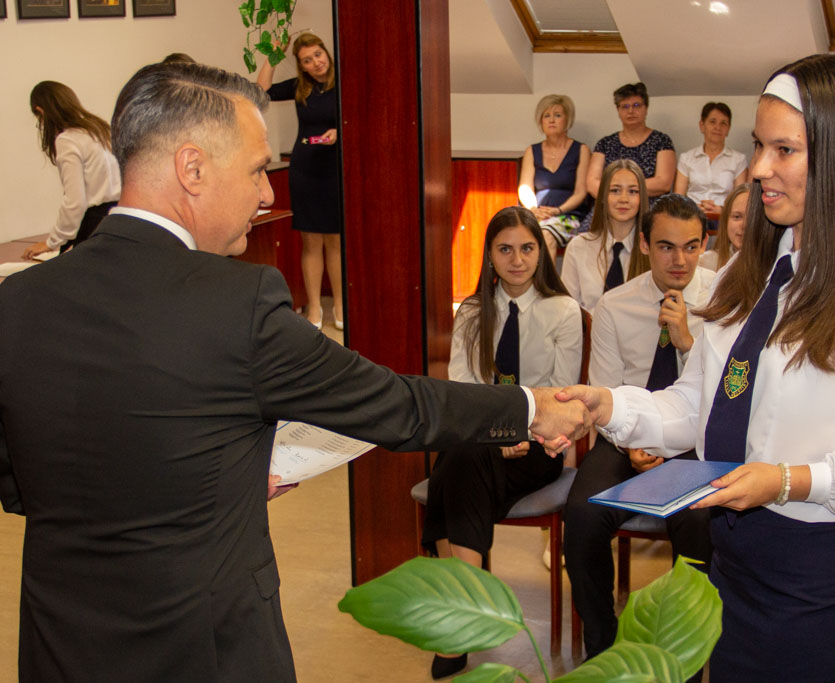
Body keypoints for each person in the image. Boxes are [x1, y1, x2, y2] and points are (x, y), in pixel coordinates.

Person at [0, 62, 590, 683]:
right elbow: (395, 405)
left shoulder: (18, 302)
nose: (266, 194)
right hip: (205, 647)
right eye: (256, 169)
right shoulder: (238, 303)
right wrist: (532, 407)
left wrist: (213, 477)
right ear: (192, 169)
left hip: (60, 647)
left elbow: (23, 480)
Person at [557, 53, 835, 682]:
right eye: (759, 145)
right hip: (734, 564)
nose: (760, 168)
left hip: (820, 585)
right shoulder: (751, 277)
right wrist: (608, 405)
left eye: (784, 150)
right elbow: (701, 403)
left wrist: (790, 481)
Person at [422, 206, 582, 679]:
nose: (517, 260)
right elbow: (462, 390)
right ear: (489, 255)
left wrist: (515, 431)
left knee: (452, 468)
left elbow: (562, 394)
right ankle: (469, 609)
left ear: (542, 253)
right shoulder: (474, 312)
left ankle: (462, 615)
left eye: (527, 248)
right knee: (465, 457)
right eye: (505, 249)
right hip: (481, 440)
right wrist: (495, 436)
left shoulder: (563, 310)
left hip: (540, 445)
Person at [564, 194, 715, 661]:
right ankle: (603, 647)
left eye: (691, 247)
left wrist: (688, 342)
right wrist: (635, 443)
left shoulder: (724, 299)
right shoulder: (615, 305)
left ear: (704, 245)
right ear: (645, 245)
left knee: (698, 518)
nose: (680, 260)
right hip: (625, 438)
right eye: (667, 247)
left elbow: (727, 395)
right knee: (582, 514)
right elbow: (604, 391)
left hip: (694, 440)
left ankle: (686, 657)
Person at [258, 32, 342, 330]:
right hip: (306, 171)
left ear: (326, 53)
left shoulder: (344, 83)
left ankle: (340, 306)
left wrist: (340, 132)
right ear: (301, 66)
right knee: (311, 242)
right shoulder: (299, 88)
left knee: (335, 241)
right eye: (307, 60)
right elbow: (261, 91)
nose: (316, 63)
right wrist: (273, 56)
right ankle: (315, 308)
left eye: (318, 54)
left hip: (335, 170)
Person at [21, 81, 120, 259]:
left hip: (94, 223)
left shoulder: (68, 139)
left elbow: (75, 202)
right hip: (117, 218)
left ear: (41, 111)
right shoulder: (99, 130)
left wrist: (52, 242)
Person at [580, 82, 674, 231]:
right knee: (585, 236)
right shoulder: (605, 143)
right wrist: (620, 196)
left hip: (647, 207)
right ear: (618, 110)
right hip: (609, 207)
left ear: (646, 108)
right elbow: (592, 184)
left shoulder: (661, 141)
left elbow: (663, 183)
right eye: (625, 106)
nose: (631, 111)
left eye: (636, 105)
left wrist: (619, 190)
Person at [561, 159, 648, 312]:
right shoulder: (578, 247)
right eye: (615, 191)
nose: (623, 199)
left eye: (633, 191)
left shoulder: (653, 249)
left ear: (642, 198)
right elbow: (568, 310)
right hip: (589, 327)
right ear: (602, 196)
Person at [517, 95, 591, 258]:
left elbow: (581, 192)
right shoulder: (532, 151)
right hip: (536, 215)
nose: (551, 120)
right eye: (546, 116)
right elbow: (525, 188)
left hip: (569, 217)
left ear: (567, 120)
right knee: (516, 237)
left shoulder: (582, 150)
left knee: (546, 235)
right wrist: (533, 210)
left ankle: (545, 277)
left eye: (557, 115)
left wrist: (558, 210)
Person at [673, 102, 748, 216]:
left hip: (725, 217)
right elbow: (678, 198)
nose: (718, 127)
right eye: (712, 122)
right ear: (702, 125)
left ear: (728, 129)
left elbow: (740, 200)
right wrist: (696, 208)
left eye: (723, 123)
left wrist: (721, 210)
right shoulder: (686, 158)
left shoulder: (739, 160)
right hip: (691, 215)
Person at [698, 183, 748, 272]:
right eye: (737, 217)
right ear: (726, 221)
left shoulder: (773, 266)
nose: (744, 225)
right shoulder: (705, 263)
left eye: (752, 218)